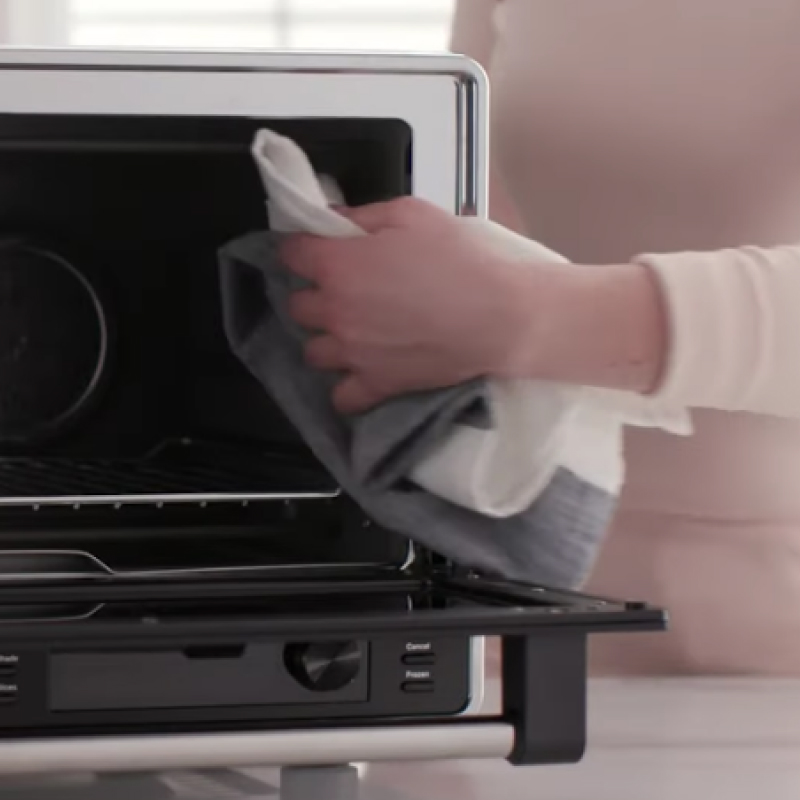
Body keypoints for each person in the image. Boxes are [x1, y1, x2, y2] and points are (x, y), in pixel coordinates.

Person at [280, 0, 800, 676]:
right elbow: (467, 188)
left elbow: (498, 296)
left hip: (774, 650)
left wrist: (522, 315)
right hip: (506, 601)